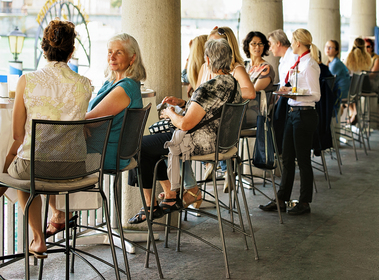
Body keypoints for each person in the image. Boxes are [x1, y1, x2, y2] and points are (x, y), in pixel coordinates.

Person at [1, 19, 92, 258]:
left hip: (35, 168)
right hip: (74, 169)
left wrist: (8, 160)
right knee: (41, 164)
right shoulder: (85, 85)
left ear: (43, 48)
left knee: (25, 177)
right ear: (72, 52)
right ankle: (57, 214)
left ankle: (38, 238)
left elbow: (18, 135)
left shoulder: (27, 81)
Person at [128, 39, 243, 223]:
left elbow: (186, 124)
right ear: (229, 58)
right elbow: (211, 110)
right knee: (153, 145)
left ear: (207, 59)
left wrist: (170, 113)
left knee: (138, 146)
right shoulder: (233, 84)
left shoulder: (209, 86)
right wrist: (182, 103)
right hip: (221, 142)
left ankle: (151, 204)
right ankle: (171, 194)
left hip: (200, 143)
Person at [46, 33, 146, 237]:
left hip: (104, 155)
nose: (112, 56)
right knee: (53, 150)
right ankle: (65, 211)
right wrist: (85, 123)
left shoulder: (124, 88)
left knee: (45, 157)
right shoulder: (113, 83)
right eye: (110, 52)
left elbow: (92, 119)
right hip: (105, 149)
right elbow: (91, 119)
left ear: (132, 58)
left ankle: (60, 214)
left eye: (119, 52)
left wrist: (82, 123)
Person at [259, 28, 320, 216]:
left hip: (304, 113)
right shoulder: (300, 62)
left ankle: (304, 202)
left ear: (299, 43)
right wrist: (289, 91)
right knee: (286, 158)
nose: (290, 44)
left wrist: (295, 92)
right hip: (293, 112)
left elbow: (316, 95)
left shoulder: (309, 64)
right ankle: (281, 199)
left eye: (292, 42)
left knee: (302, 160)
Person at [196, 26, 255, 191]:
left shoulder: (236, 68)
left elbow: (250, 92)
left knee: (178, 138)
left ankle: (217, 166)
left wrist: (226, 93)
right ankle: (217, 163)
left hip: (227, 123)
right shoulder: (204, 68)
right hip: (209, 121)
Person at [267, 29, 299, 155]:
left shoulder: (293, 58)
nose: (269, 49)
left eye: (270, 44)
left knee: (272, 120)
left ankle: (278, 153)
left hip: (292, 102)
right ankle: (276, 152)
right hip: (285, 99)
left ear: (278, 43)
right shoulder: (282, 61)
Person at [344, 38, 372, 125]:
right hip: (365, 86)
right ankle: (354, 113)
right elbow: (369, 69)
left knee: (344, 95)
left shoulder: (349, 57)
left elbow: (346, 71)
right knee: (352, 96)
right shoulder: (367, 57)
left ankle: (354, 112)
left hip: (353, 87)